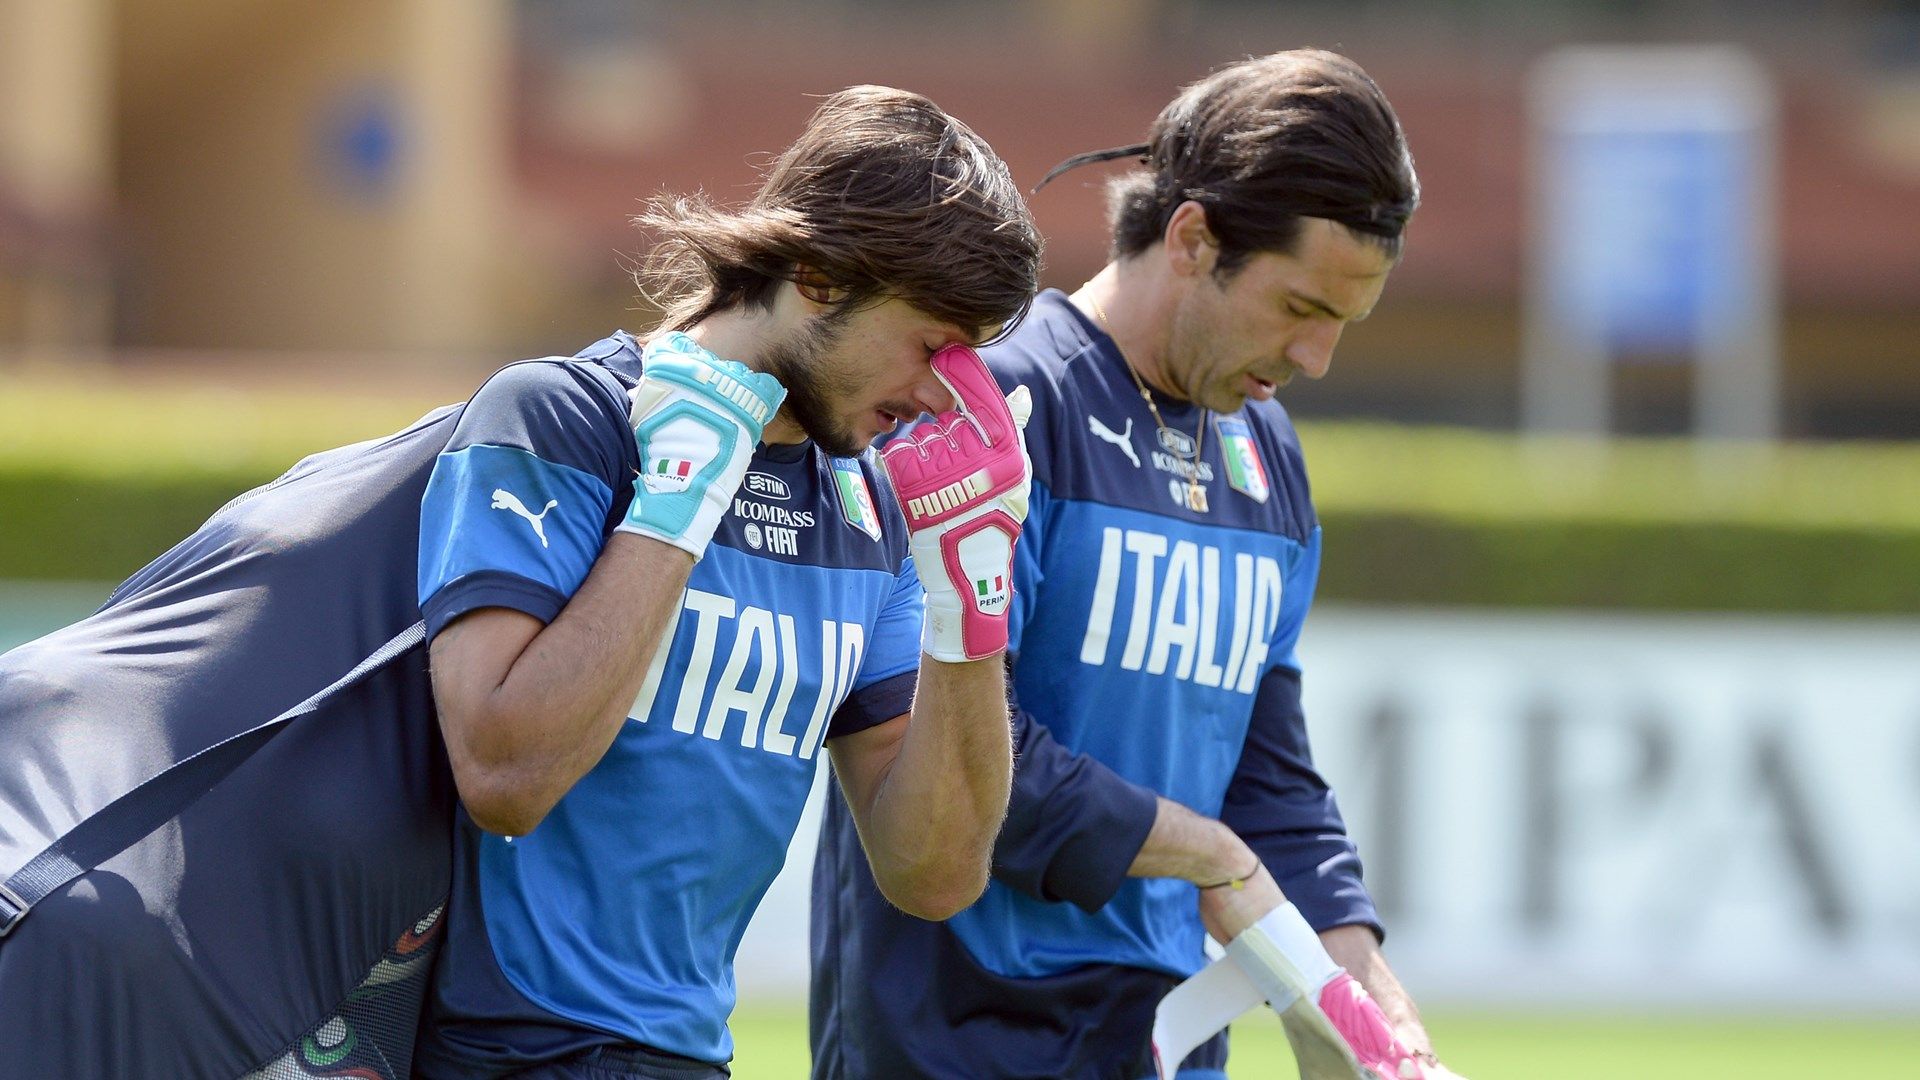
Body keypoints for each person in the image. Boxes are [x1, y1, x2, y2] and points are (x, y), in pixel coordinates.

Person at [0, 85, 1041, 1080]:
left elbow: (935, 873)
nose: (944, 396)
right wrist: (674, 511)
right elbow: (508, 776)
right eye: (933, 344)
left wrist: (970, 605)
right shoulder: (564, 419)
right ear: (818, 278)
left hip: (683, 1048)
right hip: (502, 1044)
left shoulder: (864, 511)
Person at [812, 51, 1462, 1079]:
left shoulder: (1267, 455)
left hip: (1170, 1045)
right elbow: (936, 751)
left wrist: (1376, 1011)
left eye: (1345, 323)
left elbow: (1266, 775)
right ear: (1195, 239)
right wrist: (1205, 853)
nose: (1316, 360)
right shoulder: (993, 410)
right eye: (1300, 308)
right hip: (959, 1043)